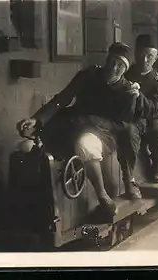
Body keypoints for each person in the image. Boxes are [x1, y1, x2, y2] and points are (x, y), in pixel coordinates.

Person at [16, 42, 143, 218]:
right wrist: (37, 119)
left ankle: (102, 195)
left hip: (104, 135)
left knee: (86, 144)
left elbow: (122, 125)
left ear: (125, 69)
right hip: (73, 125)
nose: (114, 68)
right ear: (107, 59)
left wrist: (91, 121)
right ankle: (32, 203)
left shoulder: (127, 92)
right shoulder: (88, 75)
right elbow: (62, 99)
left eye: (120, 66)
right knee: (29, 145)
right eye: (112, 62)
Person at [125, 34, 158, 183]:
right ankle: (129, 176)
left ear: (156, 58)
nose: (145, 60)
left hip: (154, 115)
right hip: (134, 117)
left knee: (157, 131)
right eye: (141, 55)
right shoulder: (126, 74)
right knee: (128, 133)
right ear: (136, 54)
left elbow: (156, 107)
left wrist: (139, 96)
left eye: (150, 56)